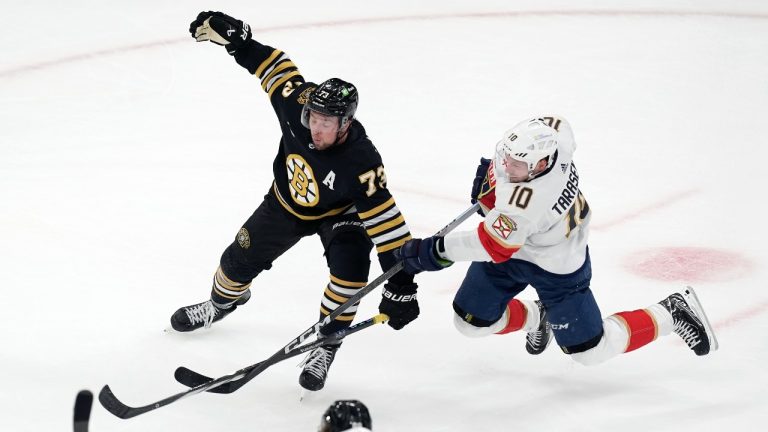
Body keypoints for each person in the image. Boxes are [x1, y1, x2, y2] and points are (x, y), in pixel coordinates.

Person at [170, 11, 420, 392]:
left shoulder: (362, 160)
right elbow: (276, 69)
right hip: (285, 204)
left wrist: (401, 286)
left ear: (346, 123)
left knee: (351, 273)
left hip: (341, 214)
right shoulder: (297, 104)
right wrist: (241, 42)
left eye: (326, 123)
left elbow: (388, 229)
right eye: (313, 118)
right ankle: (220, 305)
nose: (315, 128)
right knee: (234, 263)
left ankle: (326, 341)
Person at [394, 115, 718, 365]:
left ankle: (671, 312)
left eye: (516, 164)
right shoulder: (556, 139)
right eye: (507, 157)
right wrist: (490, 175)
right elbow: (556, 123)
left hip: (556, 264)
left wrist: (432, 252)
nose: (506, 165)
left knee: (590, 351)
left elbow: (490, 245)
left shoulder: (528, 202)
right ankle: (537, 315)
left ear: (539, 166)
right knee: (470, 322)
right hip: (518, 248)